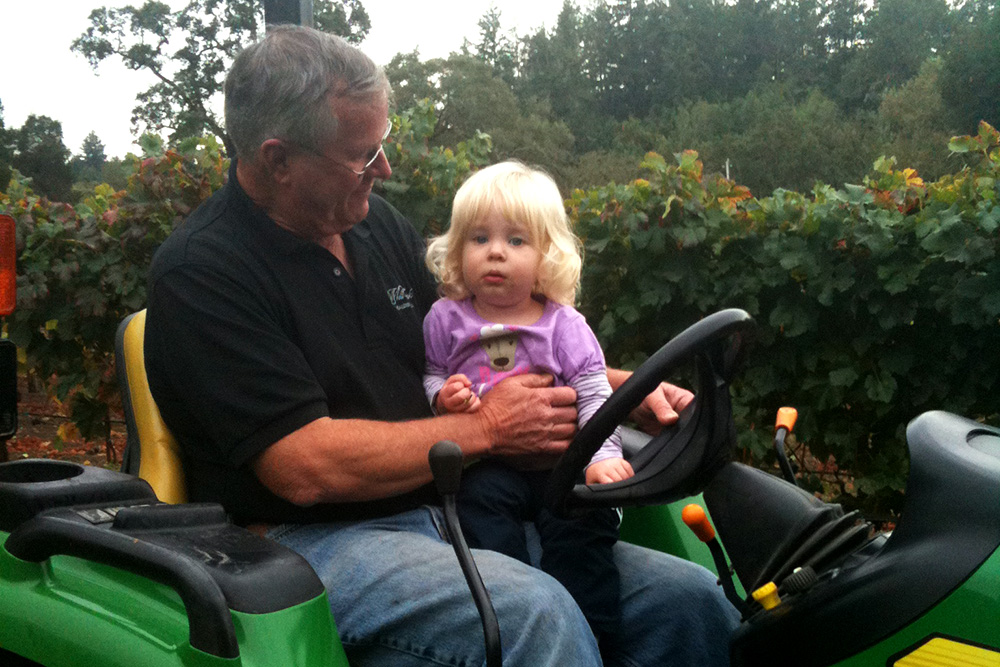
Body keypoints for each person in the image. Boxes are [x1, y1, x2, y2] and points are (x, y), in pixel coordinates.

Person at [144, 23, 739, 667]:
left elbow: (481, 344)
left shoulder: (375, 227)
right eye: (363, 155)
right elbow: (304, 467)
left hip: (450, 509)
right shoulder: (206, 272)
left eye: (383, 145)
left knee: (689, 600)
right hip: (309, 543)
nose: (384, 169)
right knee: (533, 615)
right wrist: (489, 430)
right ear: (278, 160)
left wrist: (622, 387)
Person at [423, 161, 630, 639]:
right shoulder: (445, 319)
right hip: (489, 463)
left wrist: (602, 456)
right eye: (479, 238)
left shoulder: (563, 325)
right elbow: (433, 373)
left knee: (583, 526)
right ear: (458, 249)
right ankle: (513, 616)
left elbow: (594, 391)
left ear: (547, 256)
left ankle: (596, 636)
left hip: (560, 461)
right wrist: (442, 398)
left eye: (516, 241)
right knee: (478, 511)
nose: (495, 252)